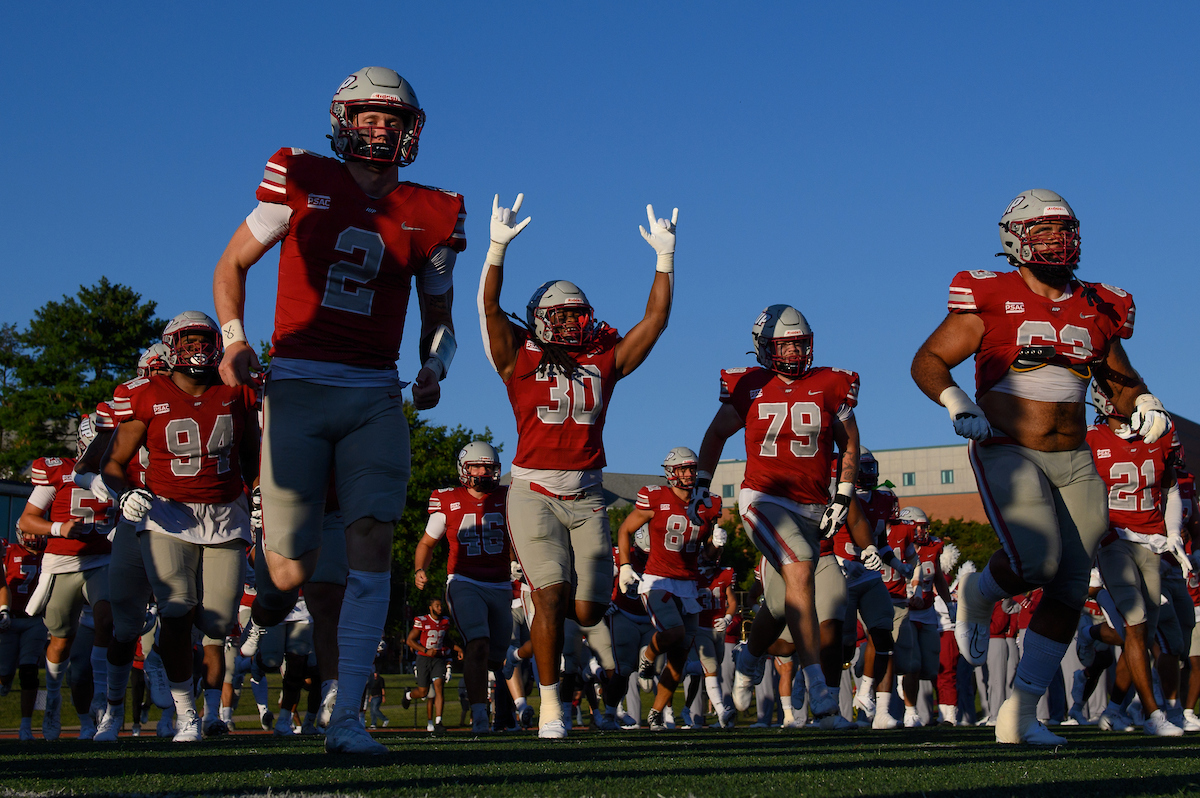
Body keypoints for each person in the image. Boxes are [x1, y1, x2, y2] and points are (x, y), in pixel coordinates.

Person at [212, 66, 466, 755]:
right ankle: (266, 603)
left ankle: (345, 716)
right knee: (290, 572)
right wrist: (234, 344)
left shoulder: (432, 209)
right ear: (344, 119)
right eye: (370, 116)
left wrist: (434, 366)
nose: (381, 128)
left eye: (394, 119)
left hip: (373, 392)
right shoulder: (300, 175)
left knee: (373, 542)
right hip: (295, 382)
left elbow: (440, 316)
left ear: (411, 130)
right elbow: (232, 265)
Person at [911, 188, 1171, 745]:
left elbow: (1118, 379)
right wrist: (958, 401)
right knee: (1037, 562)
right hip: (1008, 446)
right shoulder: (990, 295)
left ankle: (1020, 714)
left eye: (1065, 229)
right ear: (1015, 240)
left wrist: (1143, 402)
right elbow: (928, 359)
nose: (1058, 240)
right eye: (1044, 231)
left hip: (1075, 457)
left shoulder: (1097, 304)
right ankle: (976, 593)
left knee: (1071, 585)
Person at [478, 193, 676, 738]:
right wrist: (496, 250)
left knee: (588, 610)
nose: (570, 323)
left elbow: (654, 321)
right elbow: (490, 311)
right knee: (550, 594)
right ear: (540, 318)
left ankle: (557, 661)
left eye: (577, 314)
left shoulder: (601, 360)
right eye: (560, 315)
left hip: (588, 496)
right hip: (534, 490)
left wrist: (665, 257)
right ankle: (549, 707)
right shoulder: (516, 355)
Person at [696, 304, 861, 727]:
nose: (791, 353)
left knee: (782, 600)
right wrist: (701, 485)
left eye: (798, 344)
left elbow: (850, 441)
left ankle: (750, 658)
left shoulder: (830, 383)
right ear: (764, 348)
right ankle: (820, 697)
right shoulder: (749, 384)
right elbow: (716, 434)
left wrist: (842, 494)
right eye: (783, 344)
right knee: (801, 573)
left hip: (812, 504)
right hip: (763, 498)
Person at [101, 311, 259, 742]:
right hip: (166, 512)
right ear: (171, 348)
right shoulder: (146, 394)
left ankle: (199, 705)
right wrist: (125, 492)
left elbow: (251, 455)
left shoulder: (236, 390)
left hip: (225, 514)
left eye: (204, 341)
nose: (197, 350)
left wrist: (260, 493)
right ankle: (185, 713)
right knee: (174, 607)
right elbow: (111, 461)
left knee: (219, 620)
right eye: (187, 342)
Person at [1086, 382, 1187, 736]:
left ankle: (1114, 709)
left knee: (1142, 635)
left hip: (1152, 544)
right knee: (1135, 621)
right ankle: (1153, 714)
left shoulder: (1157, 435)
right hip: (1114, 541)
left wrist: (1173, 533)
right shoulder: (1091, 440)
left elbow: (1171, 488)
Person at [616, 447, 729, 731]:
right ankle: (648, 656)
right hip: (658, 579)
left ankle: (655, 713)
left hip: (689, 583)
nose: (689, 474)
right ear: (670, 473)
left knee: (680, 654)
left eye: (692, 469)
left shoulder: (709, 503)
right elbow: (625, 529)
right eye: (683, 469)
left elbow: (708, 557)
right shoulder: (655, 497)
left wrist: (717, 544)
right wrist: (627, 565)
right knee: (674, 633)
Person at [18, 417, 116, 740]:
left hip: (100, 560)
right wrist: (60, 529)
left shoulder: (116, 474)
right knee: (60, 642)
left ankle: (101, 694)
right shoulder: (59, 473)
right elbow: (28, 520)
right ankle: (53, 698)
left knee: (105, 617)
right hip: (62, 564)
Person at [414, 441, 513, 733]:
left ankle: (494, 705)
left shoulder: (510, 497)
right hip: (464, 581)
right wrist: (421, 568)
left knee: (496, 655)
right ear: (463, 469)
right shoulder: (447, 500)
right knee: (478, 642)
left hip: (500, 583)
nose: (483, 472)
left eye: (489, 467)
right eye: (477, 466)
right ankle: (480, 715)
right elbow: (427, 542)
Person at [1, 530, 48, 741]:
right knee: (4, 673)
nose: (34, 537)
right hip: (8, 620)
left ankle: (26, 726)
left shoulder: (50, 553)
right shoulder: (9, 551)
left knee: (29, 672)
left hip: (35, 620)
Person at [403, 598, 459, 732]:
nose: (440, 608)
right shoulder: (422, 621)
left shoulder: (445, 622)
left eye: (441, 606)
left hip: (438, 659)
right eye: (437, 606)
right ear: (430, 607)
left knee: (439, 686)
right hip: (423, 659)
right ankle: (408, 695)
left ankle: (439, 721)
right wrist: (425, 650)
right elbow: (410, 641)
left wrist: (458, 649)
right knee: (424, 692)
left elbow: (447, 640)